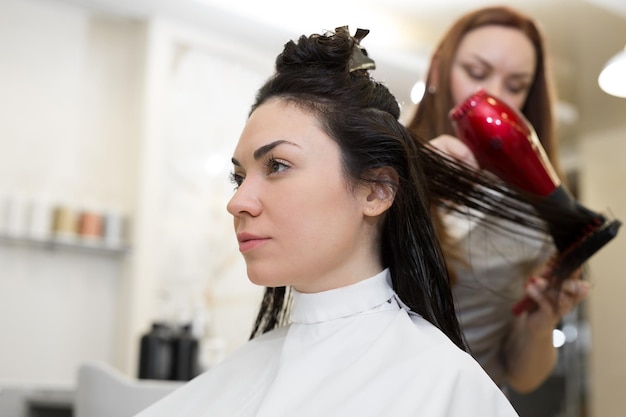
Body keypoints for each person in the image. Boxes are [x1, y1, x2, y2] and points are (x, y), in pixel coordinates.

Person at [133, 26, 532, 416]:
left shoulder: (445, 384)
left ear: (376, 191)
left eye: (277, 165)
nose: (238, 202)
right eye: (240, 177)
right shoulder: (248, 366)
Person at [406, 6, 590, 393]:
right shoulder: (386, 161)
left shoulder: (538, 212)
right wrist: (412, 181)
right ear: (438, 71)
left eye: (516, 84)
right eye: (476, 73)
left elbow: (523, 376)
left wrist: (539, 327)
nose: (492, 96)